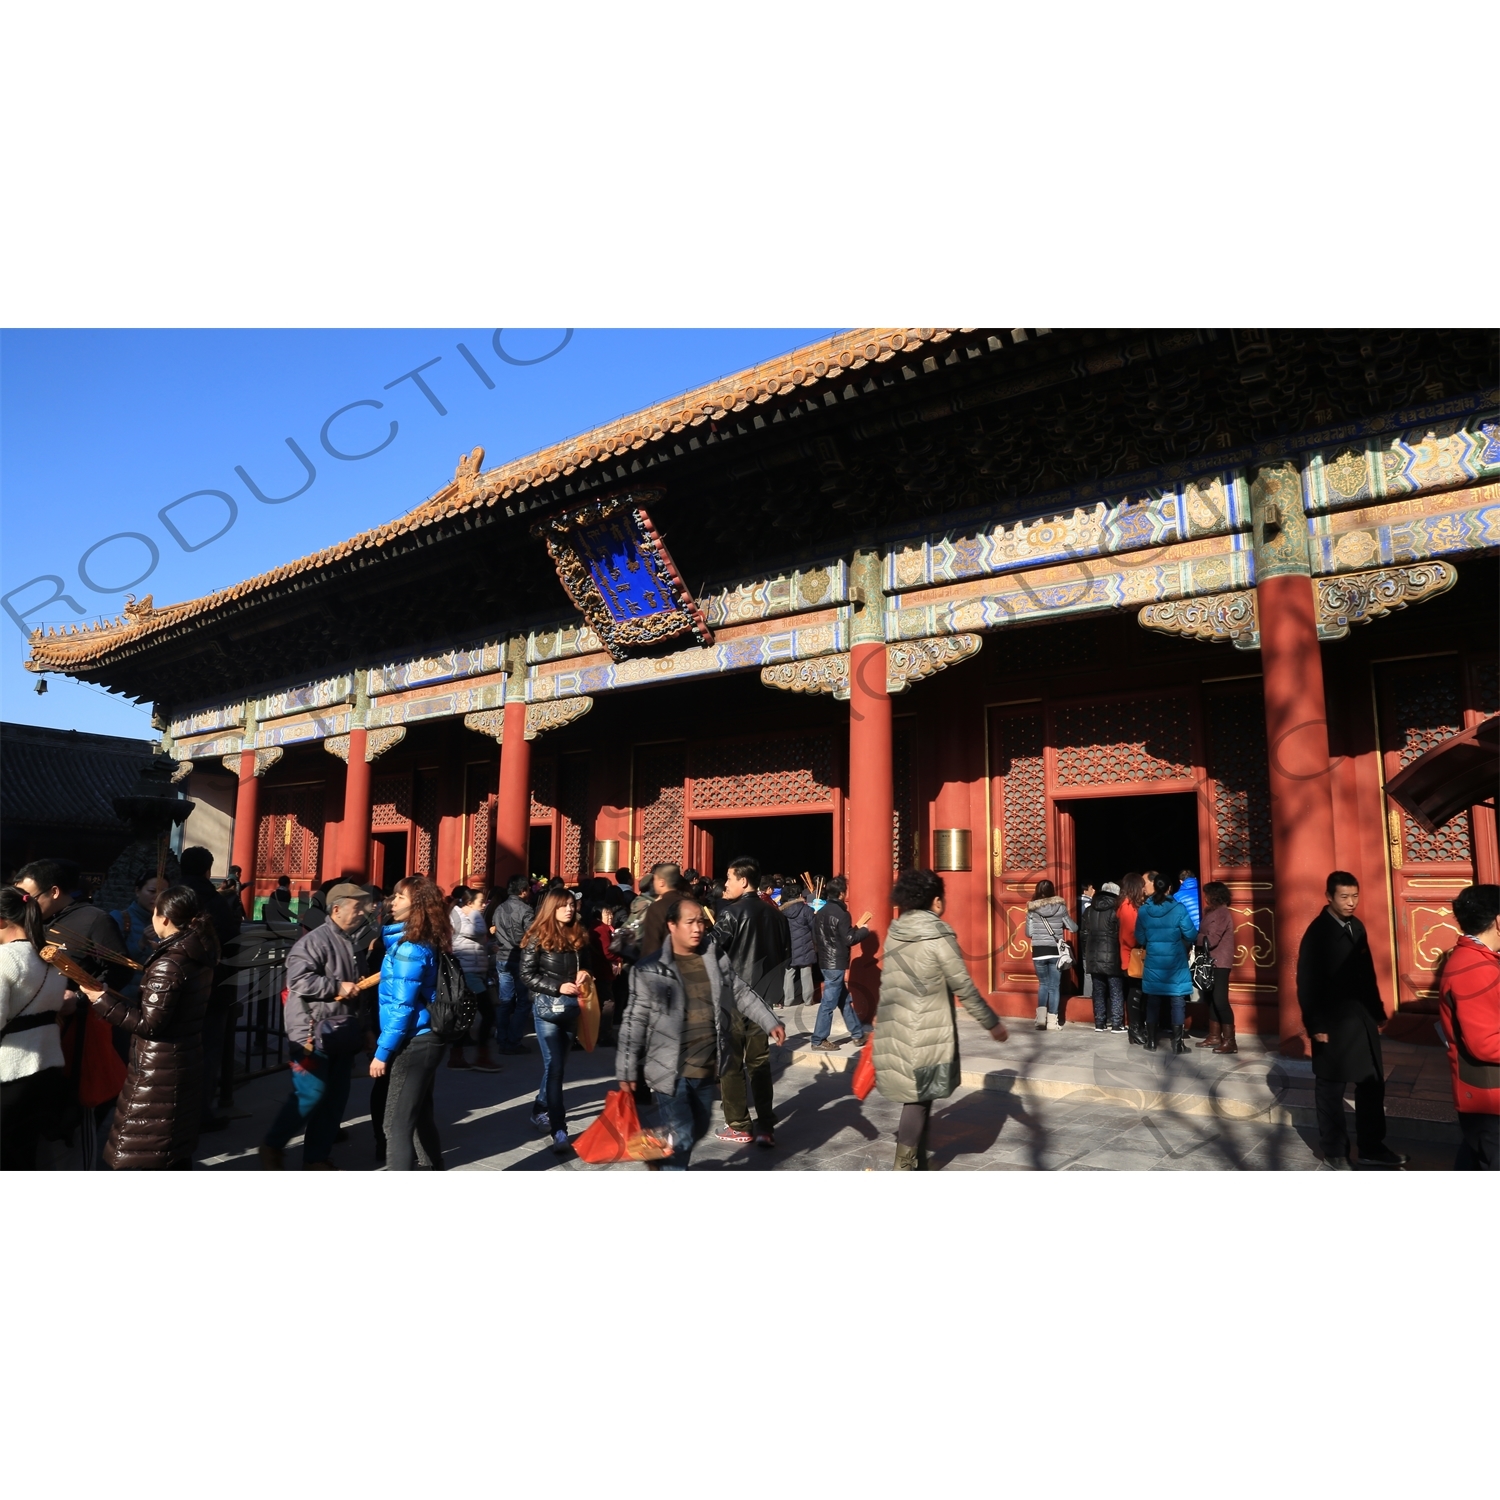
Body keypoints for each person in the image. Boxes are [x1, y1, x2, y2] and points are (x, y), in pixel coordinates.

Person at [616, 896, 786, 1170]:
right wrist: (626, 1069)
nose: (698, 928)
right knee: (683, 1133)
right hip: (669, 1068)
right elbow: (633, 1020)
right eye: (690, 922)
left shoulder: (714, 956)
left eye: (701, 922)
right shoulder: (649, 969)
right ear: (672, 925)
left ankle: (661, 1153)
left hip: (707, 1064)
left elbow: (739, 991)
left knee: (700, 1126)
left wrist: (769, 1020)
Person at [873, 869, 1010, 1170]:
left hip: (894, 1024)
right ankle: (904, 1167)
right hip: (925, 1030)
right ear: (936, 901)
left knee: (920, 1097)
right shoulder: (939, 935)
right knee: (919, 1099)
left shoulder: (896, 931)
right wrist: (991, 1022)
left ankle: (917, 1163)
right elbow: (963, 985)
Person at [75, 885, 218, 1169]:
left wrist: (100, 1000)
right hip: (181, 1059)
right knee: (170, 1146)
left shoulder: (170, 965)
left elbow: (148, 1024)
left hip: (159, 1067)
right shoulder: (198, 951)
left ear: (163, 918)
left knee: (139, 1149)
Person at [1295, 870, 1407, 1169]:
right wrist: (1315, 1024)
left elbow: (1366, 974)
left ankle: (1372, 1145)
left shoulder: (1356, 927)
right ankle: (1334, 1150)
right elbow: (1306, 982)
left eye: (1355, 896)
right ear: (1329, 897)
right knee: (1331, 1088)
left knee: (1371, 1084)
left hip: (1361, 1020)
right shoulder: (1317, 933)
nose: (1351, 902)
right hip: (1331, 1024)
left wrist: (1377, 1009)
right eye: (1344, 897)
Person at [260, 883, 373, 1169]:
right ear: (336, 909)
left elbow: (360, 990)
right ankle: (273, 1144)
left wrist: (365, 1029)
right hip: (311, 1031)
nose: (362, 913)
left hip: (342, 1031)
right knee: (311, 1092)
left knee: (336, 1097)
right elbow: (298, 981)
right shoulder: (313, 942)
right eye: (356, 907)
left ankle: (316, 1157)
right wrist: (336, 986)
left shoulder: (352, 942)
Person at [370, 876, 449, 1171]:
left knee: (395, 1124)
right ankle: (433, 1167)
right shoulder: (422, 941)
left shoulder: (408, 948)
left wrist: (382, 1051)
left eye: (400, 897)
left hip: (415, 1040)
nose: (393, 902)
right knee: (419, 1114)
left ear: (416, 905)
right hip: (427, 1037)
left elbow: (402, 1007)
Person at [712, 856, 790, 1146]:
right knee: (759, 1062)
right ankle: (766, 1125)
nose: (726, 884)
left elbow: (712, 950)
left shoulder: (731, 913)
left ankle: (739, 1124)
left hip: (734, 996)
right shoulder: (777, 915)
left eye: (729, 879)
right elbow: (785, 955)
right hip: (764, 999)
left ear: (743, 881)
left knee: (731, 1062)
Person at [520, 888, 598, 1153]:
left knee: (558, 1065)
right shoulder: (537, 936)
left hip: (572, 1010)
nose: (569, 909)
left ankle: (539, 1108)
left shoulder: (579, 933)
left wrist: (585, 974)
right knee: (555, 1068)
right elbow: (527, 975)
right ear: (551, 908)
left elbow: (588, 964)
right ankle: (559, 1129)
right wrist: (558, 987)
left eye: (571, 905)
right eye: (563, 906)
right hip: (547, 1011)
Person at [0, 886, 70, 1170]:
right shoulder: (51, 959)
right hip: (45, 1067)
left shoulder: (5, 958)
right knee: (24, 1152)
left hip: (8, 1071)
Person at [179, 844, 242, 1132]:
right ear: (208, 869)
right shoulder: (214, 902)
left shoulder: (171, 896)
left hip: (173, 985)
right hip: (212, 987)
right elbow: (231, 942)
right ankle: (201, 1111)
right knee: (207, 1050)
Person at [1438, 884, 1500, 1171]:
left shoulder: (1477, 959)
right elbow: (1485, 1043)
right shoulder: (1476, 968)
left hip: (1482, 1092)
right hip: (1489, 1094)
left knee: (1474, 1156)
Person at [1135, 873, 1197, 1052]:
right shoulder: (1179, 909)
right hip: (1175, 961)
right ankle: (1178, 1044)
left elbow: (1139, 936)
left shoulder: (1144, 910)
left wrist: (1152, 941)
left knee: (1153, 1001)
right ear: (1170, 888)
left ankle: (1152, 1041)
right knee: (1177, 1001)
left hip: (1154, 959)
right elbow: (1191, 934)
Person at [810, 876, 872, 1054]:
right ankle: (819, 1038)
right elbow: (850, 938)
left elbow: (815, 938)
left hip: (824, 960)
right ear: (842, 893)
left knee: (843, 999)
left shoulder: (820, 912)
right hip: (835, 962)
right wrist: (864, 931)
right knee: (829, 1002)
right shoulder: (842, 914)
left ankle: (857, 1034)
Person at [448, 885, 502, 1072]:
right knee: (487, 1013)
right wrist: (475, 914)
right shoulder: (461, 917)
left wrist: (486, 949)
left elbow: (473, 941)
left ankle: (458, 1055)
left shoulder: (468, 917)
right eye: (480, 902)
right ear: (469, 903)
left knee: (466, 1016)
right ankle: (481, 1056)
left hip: (475, 970)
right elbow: (475, 932)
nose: (484, 905)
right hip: (467, 973)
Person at [490, 874, 534, 1055]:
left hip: (502, 957)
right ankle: (513, 1039)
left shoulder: (499, 908)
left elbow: (494, 929)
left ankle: (502, 1038)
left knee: (505, 1001)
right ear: (523, 891)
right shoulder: (526, 910)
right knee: (524, 1001)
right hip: (519, 958)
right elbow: (532, 936)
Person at [1025, 879, 1076, 1031]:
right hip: (1055, 951)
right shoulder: (1060, 907)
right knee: (1054, 986)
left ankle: (1041, 1019)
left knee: (1043, 984)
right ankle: (1053, 1022)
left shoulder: (1032, 910)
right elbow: (1073, 928)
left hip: (1039, 952)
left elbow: (1029, 933)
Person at [1197, 881, 1237, 1053]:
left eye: (1207, 894)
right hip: (1211, 961)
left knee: (1220, 1000)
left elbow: (1212, 940)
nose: (1204, 897)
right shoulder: (1212, 912)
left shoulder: (1221, 913)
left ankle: (1230, 1041)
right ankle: (1214, 1036)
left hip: (1220, 961)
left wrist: (1196, 937)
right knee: (1211, 999)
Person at [109, 872, 164, 996]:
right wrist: (141, 943)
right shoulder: (119, 918)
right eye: (152, 891)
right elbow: (110, 957)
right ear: (138, 891)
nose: (157, 897)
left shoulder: (169, 923)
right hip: (123, 995)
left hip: (155, 995)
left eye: (163, 893)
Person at [1080, 880, 1124, 1033]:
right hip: (1113, 954)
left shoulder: (1089, 910)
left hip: (1093, 953)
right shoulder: (1117, 909)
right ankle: (1117, 1023)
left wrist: (1087, 952)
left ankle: (1100, 1023)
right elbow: (1121, 933)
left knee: (1098, 990)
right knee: (1116, 989)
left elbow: (1084, 934)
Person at [779, 878, 819, 1009]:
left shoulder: (782, 911)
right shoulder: (806, 910)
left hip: (788, 945)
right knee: (806, 972)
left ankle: (788, 1000)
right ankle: (808, 1000)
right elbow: (814, 926)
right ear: (799, 895)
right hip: (805, 943)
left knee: (789, 973)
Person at [1118, 872, 1146, 1044]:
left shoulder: (1131, 904)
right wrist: (1143, 939)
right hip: (1132, 955)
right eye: (1142, 885)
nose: (1144, 889)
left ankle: (1137, 1029)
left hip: (1133, 954)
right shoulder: (1127, 906)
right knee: (1136, 993)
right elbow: (1129, 935)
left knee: (1139, 993)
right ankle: (1134, 1030)